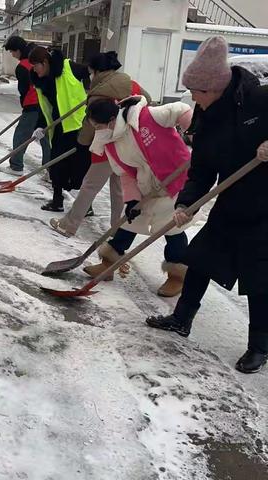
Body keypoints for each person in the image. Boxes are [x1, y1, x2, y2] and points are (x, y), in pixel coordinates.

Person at [145, 36, 268, 373]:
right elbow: (202, 169)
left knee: (260, 279)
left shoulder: (260, 100)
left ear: (215, 87)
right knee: (199, 259)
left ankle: (259, 346)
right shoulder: (207, 116)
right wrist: (187, 202)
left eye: (198, 92)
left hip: (265, 208)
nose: (193, 100)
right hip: (231, 202)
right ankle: (181, 319)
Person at [83, 96, 193, 297]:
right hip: (146, 186)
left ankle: (178, 276)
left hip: (176, 180)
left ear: (111, 120)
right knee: (129, 222)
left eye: (98, 126)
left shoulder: (146, 116)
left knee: (171, 227)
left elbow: (182, 109)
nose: (97, 131)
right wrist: (132, 200)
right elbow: (125, 173)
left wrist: (195, 133)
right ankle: (108, 263)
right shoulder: (110, 142)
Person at [50, 51, 152, 236]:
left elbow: (89, 127)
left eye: (91, 72)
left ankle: (69, 225)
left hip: (106, 149)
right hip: (129, 148)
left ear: (98, 72)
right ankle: (116, 231)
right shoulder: (131, 84)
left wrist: (82, 142)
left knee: (89, 187)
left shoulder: (98, 94)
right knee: (120, 190)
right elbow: (149, 100)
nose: (90, 76)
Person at [29, 46, 91, 212]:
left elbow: (91, 72)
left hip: (78, 126)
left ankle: (87, 206)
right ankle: (57, 201)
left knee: (78, 167)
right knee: (56, 165)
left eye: (36, 65)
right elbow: (45, 107)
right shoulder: (41, 81)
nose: (34, 70)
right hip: (58, 127)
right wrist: (40, 126)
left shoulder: (69, 68)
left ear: (45, 62)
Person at [1, 36, 50, 176]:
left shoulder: (23, 66)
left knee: (21, 135)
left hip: (32, 105)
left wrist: (26, 107)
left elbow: (24, 90)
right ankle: (50, 170)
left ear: (18, 50)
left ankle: (16, 166)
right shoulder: (38, 59)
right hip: (45, 105)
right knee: (46, 138)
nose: (12, 55)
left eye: (12, 51)